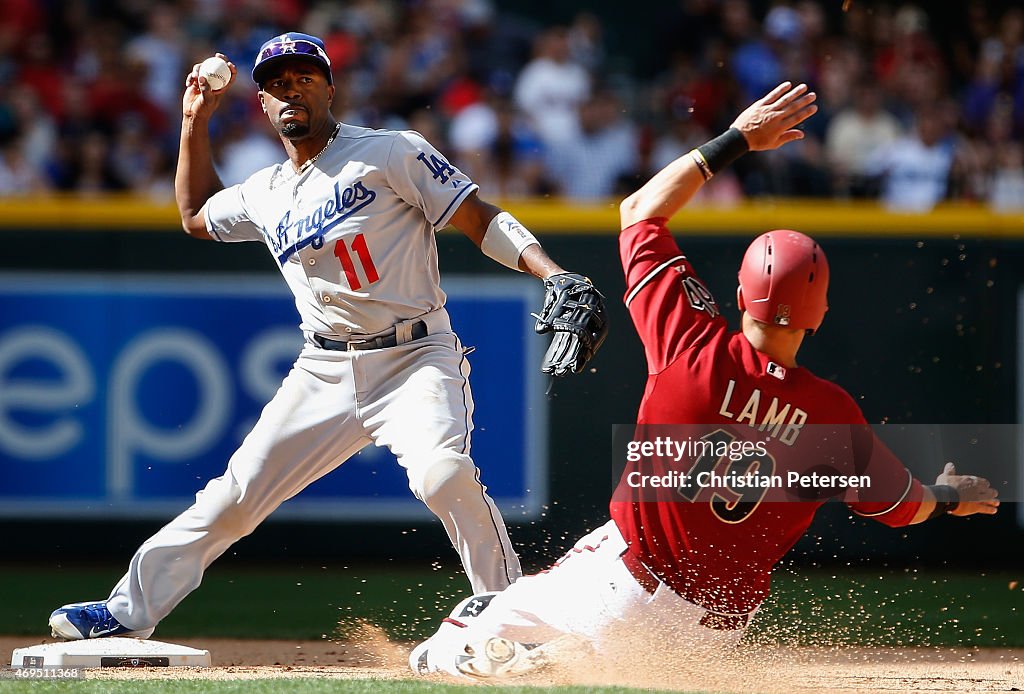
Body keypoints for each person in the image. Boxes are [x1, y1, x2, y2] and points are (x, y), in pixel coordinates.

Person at [409, 81, 1000, 681]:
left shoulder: (691, 346)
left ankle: (541, 661)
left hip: (622, 586)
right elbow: (904, 508)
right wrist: (952, 495)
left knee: (453, 635)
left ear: (741, 296)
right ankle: (569, 659)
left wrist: (739, 138)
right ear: (820, 316)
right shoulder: (832, 417)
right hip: (712, 634)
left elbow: (638, 211)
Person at [48, 32, 607, 641]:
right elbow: (195, 216)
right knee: (235, 496)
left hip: (416, 356)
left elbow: (479, 218)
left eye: (304, 79)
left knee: (442, 473)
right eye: (277, 84)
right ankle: (126, 613)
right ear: (262, 103)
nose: (291, 91)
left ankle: (507, 616)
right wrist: (194, 120)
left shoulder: (391, 151)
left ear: (329, 88)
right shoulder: (264, 192)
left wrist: (551, 271)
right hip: (324, 369)